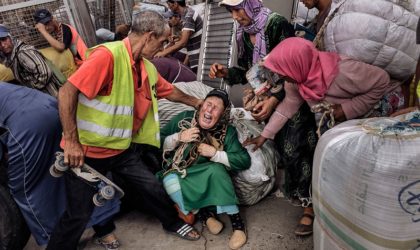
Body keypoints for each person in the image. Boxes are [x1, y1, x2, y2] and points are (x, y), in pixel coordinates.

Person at [47, 10, 203, 250]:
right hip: (88, 153)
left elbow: (169, 91)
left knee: (151, 186)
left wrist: (198, 103)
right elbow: (67, 92)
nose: (164, 47)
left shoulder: (146, 67)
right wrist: (71, 141)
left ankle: (171, 223)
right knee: (78, 214)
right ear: (149, 36)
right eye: (162, 42)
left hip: (120, 150)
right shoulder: (107, 57)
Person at [209, 0, 318, 236]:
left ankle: (310, 207)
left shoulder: (276, 25)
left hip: (292, 96)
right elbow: (250, 72)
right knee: (281, 147)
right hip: (268, 98)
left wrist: (273, 99)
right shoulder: (244, 34)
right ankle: (296, 193)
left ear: (251, 4)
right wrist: (226, 72)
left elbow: (293, 71)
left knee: (298, 148)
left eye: (238, 9)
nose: (236, 16)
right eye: (231, 12)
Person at [0, 82, 119, 248]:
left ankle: (56, 242)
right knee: (76, 174)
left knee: (25, 189)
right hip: (55, 109)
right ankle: (106, 232)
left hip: (29, 124)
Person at [244, 37, 398, 155]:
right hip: (343, 126)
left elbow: (382, 80)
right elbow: (287, 107)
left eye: (281, 72)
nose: (279, 76)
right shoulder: (296, 80)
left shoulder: (343, 71)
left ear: (296, 65)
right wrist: (264, 136)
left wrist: (347, 109)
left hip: (371, 119)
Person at [160, 89, 251, 249]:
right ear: (201, 106)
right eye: (208, 104)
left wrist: (216, 154)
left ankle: (238, 225)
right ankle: (204, 215)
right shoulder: (184, 118)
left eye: (216, 108)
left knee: (217, 171)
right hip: (181, 173)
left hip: (209, 175)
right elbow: (158, 140)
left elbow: (243, 160)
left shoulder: (227, 132)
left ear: (222, 114)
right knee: (169, 180)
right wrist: (178, 138)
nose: (209, 110)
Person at [0, 25, 63, 97]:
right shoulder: (10, 54)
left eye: (4, 39)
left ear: (10, 37)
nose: (3, 45)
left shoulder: (23, 53)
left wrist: (31, 91)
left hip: (49, 94)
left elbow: (45, 72)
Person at [155, 0, 203, 73]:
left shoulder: (189, 16)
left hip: (198, 58)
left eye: (169, 4)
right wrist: (179, 38)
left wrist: (163, 53)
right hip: (195, 58)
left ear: (175, 4)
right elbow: (189, 37)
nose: (168, 6)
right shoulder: (185, 15)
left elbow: (183, 43)